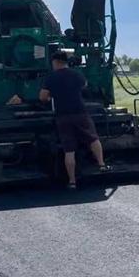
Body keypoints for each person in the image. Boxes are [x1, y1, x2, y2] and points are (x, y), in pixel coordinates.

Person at [39, 51, 107, 189]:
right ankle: (101, 165)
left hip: (62, 115)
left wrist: (50, 97)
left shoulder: (51, 77)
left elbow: (42, 97)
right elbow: (84, 85)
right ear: (66, 62)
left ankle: (72, 181)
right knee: (93, 139)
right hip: (80, 112)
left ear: (55, 62)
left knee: (69, 150)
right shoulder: (77, 74)